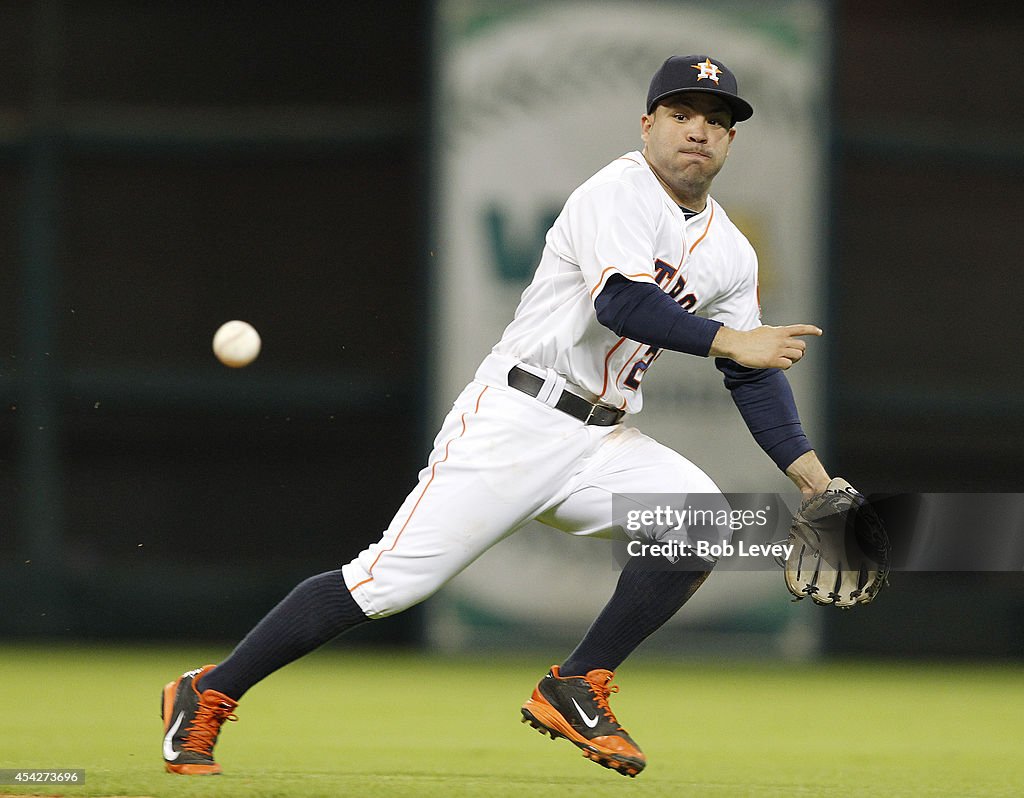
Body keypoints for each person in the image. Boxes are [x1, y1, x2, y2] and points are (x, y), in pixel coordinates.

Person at [161, 54, 829, 779]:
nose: (699, 130)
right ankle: (206, 691)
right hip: (517, 419)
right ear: (647, 125)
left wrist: (815, 482)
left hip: (600, 439)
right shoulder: (616, 191)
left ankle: (574, 684)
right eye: (681, 114)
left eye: (717, 121)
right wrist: (736, 338)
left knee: (704, 524)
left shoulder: (729, 249)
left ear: (731, 142)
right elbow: (624, 304)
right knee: (385, 585)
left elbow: (752, 374)